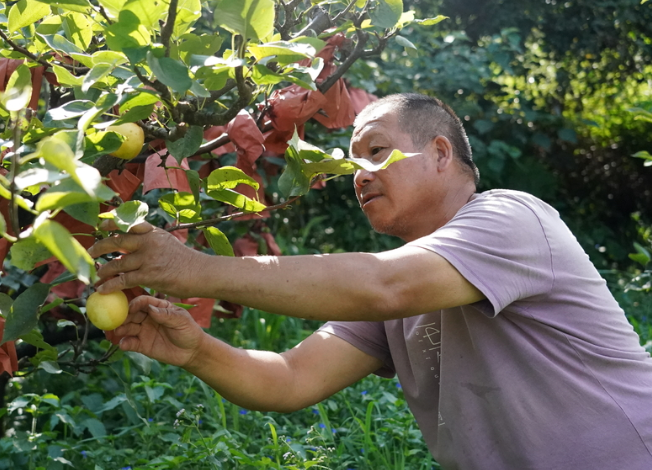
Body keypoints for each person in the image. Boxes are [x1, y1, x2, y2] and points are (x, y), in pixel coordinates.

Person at [88, 93, 652, 470]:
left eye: (376, 151)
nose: (358, 174)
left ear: (439, 153)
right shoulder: (404, 285)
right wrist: (195, 351)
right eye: (351, 160)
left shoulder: (511, 218)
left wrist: (192, 268)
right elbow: (290, 380)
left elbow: (386, 285)